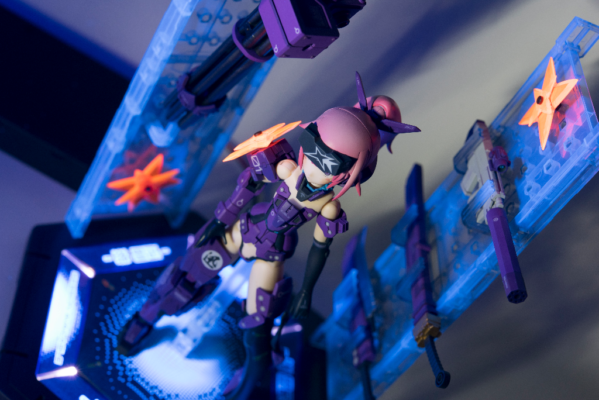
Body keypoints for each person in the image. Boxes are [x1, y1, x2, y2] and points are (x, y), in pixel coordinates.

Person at [118, 72, 420, 400]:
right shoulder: (289, 170)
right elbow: (247, 186)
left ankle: (247, 381)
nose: (316, 164)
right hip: (245, 229)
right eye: (315, 148)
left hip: (272, 253)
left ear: (351, 172)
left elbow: (320, 250)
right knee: (185, 277)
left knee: (259, 326)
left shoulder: (328, 207)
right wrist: (220, 221)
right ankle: (145, 317)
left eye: (330, 162)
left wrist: (306, 292)